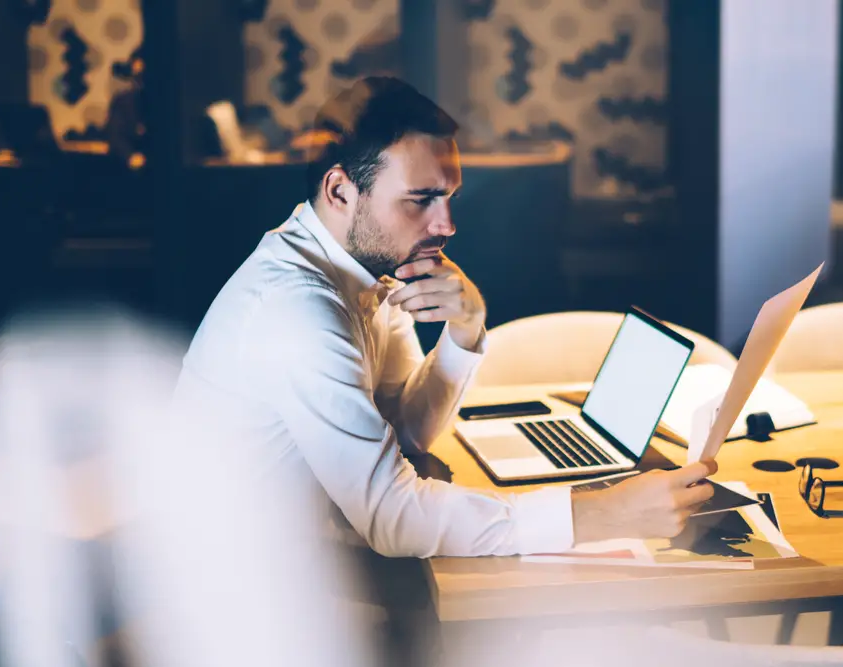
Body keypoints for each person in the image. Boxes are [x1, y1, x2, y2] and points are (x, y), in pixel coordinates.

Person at [170, 76, 715, 559]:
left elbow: (405, 433)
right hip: (241, 599)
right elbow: (393, 519)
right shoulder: (298, 309)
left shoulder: (369, 269)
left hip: (307, 562)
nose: (447, 223)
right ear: (340, 190)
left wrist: (466, 329)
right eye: (422, 198)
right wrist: (602, 514)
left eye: (449, 196)